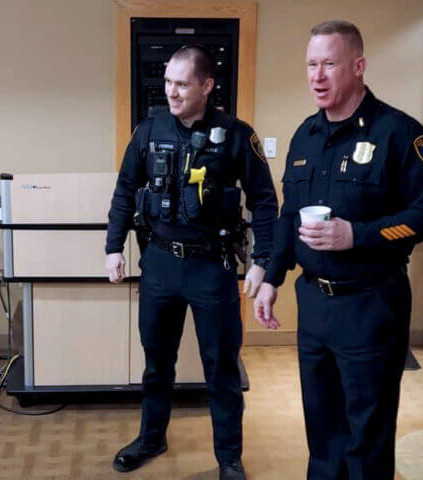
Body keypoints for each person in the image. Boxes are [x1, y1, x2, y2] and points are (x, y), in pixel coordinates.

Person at [254, 20, 423, 479]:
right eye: (311, 64)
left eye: (329, 64)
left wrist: (357, 235)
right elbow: (288, 215)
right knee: (322, 432)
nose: (317, 76)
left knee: (366, 436)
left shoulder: (399, 134)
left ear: (358, 67)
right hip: (315, 306)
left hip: (371, 305)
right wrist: (272, 275)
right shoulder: (305, 135)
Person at [104, 44, 278, 480]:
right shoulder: (148, 130)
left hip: (210, 269)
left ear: (207, 85)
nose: (172, 92)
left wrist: (262, 260)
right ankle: (151, 437)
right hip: (160, 264)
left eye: (182, 84)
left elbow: (264, 202)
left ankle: (229, 458)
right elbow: (125, 191)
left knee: (221, 367)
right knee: (156, 361)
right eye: (168, 82)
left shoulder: (238, 135)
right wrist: (112, 246)